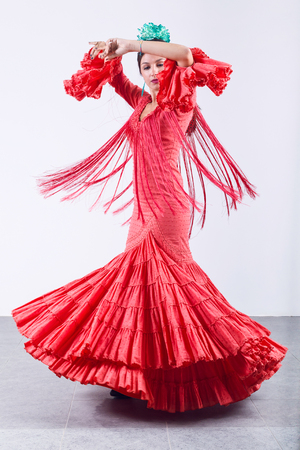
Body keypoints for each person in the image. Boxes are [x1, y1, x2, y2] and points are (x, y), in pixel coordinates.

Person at [12, 23, 287, 413]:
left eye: (161, 64)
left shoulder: (182, 100)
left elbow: (188, 56)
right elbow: (116, 79)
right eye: (147, 67)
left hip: (170, 207)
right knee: (139, 290)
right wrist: (114, 52)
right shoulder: (143, 103)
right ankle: (140, 373)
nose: (155, 71)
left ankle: (222, 359)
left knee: (170, 287)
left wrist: (131, 44)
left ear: (171, 68)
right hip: (143, 210)